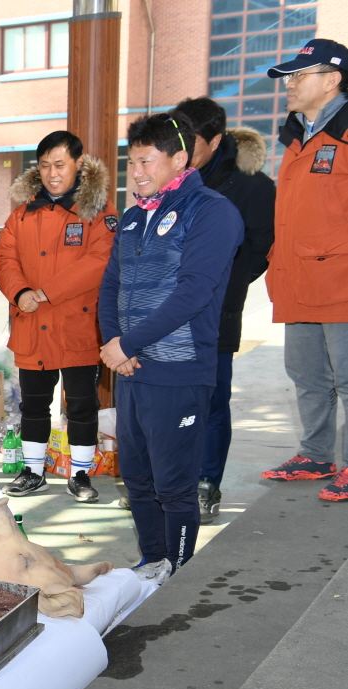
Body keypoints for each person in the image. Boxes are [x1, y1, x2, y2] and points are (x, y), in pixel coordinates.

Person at [99, 112, 243, 582]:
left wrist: (129, 342)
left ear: (179, 158)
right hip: (132, 370)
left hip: (179, 371)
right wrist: (113, 344)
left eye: (145, 161)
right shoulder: (135, 217)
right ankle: (151, 562)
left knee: (174, 486)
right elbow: (110, 285)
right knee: (137, 480)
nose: (135, 172)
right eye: (131, 162)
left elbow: (194, 291)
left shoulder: (211, 211)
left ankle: (178, 575)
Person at [0, 130, 119, 504]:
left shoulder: (99, 210)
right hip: (31, 322)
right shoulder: (22, 212)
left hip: (77, 324)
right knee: (33, 403)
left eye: (59, 165)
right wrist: (19, 293)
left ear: (79, 164)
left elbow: (100, 261)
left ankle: (80, 472)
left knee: (81, 402)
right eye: (45, 165)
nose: (52, 173)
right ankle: (33, 470)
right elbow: (4, 260)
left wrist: (46, 293)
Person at [169, 97, 276, 520]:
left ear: (215, 139)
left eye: (188, 141)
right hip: (163, 313)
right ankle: (171, 481)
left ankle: (206, 483)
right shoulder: (168, 175)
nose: (178, 148)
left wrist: (217, 284)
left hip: (216, 311)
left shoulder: (252, 186)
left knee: (211, 402)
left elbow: (260, 250)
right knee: (170, 401)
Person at [259, 40, 348, 498]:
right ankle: (316, 455)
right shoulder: (297, 135)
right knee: (307, 374)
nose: (289, 84)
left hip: (340, 279)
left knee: (347, 377)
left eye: (299, 75)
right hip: (297, 276)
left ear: (331, 79)